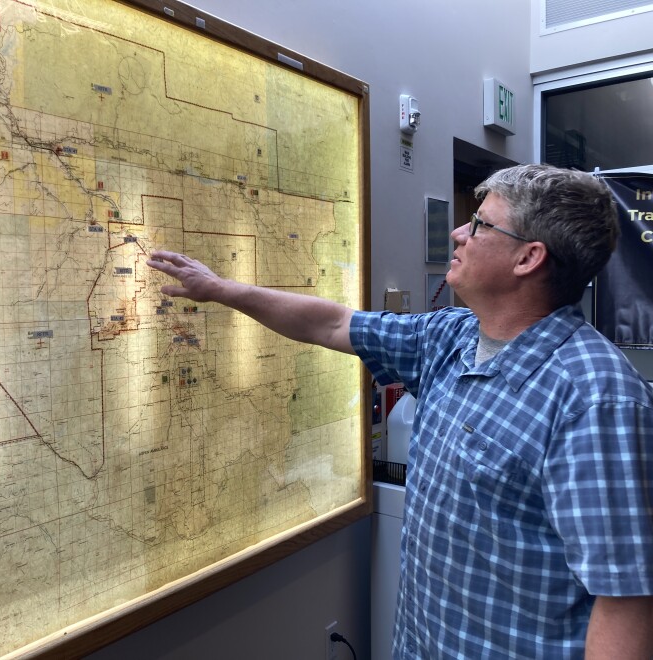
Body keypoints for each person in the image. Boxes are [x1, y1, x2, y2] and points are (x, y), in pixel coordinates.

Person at [146, 164, 653, 659]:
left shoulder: (595, 397)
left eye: (480, 224)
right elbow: (332, 324)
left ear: (528, 258)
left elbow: (626, 598)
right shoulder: (450, 337)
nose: (458, 233)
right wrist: (221, 290)